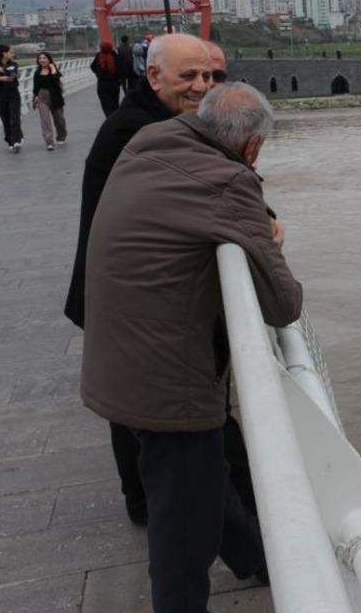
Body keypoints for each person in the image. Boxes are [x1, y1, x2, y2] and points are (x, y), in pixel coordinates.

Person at [82, 82, 297, 612]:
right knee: (182, 534)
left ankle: (259, 559)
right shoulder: (227, 180)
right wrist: (269, 238)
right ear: (252, 147)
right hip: (168, 385)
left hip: (120, 358)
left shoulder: (151, 141)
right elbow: (284, 303)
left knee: (204, 483)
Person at [66, 33, 214, 524]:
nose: (201, 85)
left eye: (208, 75)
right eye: (188, 75)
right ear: (153, 76)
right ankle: (146, 504)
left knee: (126, 401)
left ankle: (147, 501)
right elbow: (198, 191)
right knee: (130, 406)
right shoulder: (139, 130)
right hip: (121, 292)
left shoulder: (149, 118)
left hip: (116, 286)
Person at [32, 52, 67, 150]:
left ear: (49, 59)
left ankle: (61, 136)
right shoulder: (37, 72)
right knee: (45, 120)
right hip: (42, 97)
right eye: (40, 58)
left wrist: (52, 68)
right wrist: (34, 98)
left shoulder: (54, 70)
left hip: (55, 97)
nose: (42, 60)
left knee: (59, 119)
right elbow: (35, 88)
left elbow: (56, 81)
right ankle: (49, 142)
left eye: (44, 58)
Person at [90, 41, 121, 117]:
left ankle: (109, 118)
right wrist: (118, 78)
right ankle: (115, 118)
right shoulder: (114, 55)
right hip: (114, 84)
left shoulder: (99, 56)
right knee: (115, 104)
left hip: (102, 84)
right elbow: (120, 68)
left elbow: (92, 67)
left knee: (106, 105)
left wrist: (98, 74)